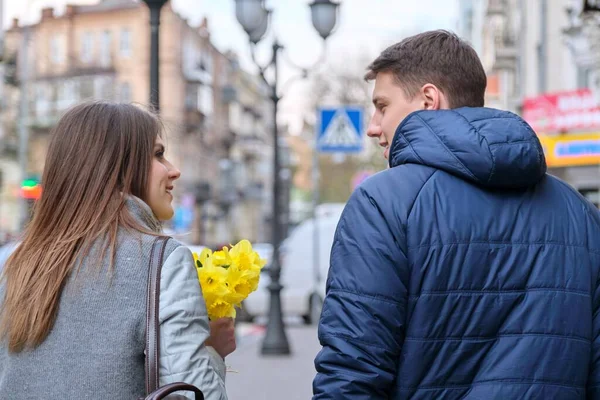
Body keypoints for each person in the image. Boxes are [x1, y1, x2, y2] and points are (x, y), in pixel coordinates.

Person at [313, 30, 600, 399]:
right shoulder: (579, 213)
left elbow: (353, 371)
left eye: (382, 106)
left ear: (429, 99)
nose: (373, 126)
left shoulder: (383, 202)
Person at [0, 102, 235, 399]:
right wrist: (212, 350)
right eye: (158, 154)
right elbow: (196, 394)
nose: (174, 171)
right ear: (118, 168)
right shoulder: (161, 259)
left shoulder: (16, 261)